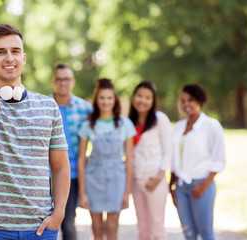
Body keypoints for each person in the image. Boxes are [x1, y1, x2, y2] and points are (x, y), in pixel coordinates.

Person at [0, 23, 70, 240]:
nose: (9, 58)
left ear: (24, 58)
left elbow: (60, 166)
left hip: (41, 229)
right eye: (0, 52)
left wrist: (59, 213)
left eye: (15, 51)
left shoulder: (49, 106)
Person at [77, 78, 135, 240]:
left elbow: (129, 159)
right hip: (93, 180)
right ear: (97, 100)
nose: (106, 101)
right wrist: (82, 193)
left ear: (114, 100)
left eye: (109, 98)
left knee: (112, 227)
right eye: (102, 98)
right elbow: (82, 159)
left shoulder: (125, 124)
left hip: (116, 181)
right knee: (97, 229)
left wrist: (127, 192)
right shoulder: (87, 125)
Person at [169, 84, 226, 240]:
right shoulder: (178, 127)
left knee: (206, 233)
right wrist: (171, 186)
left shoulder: (211, 126)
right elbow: (174, 158)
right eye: (183, 101)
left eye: (191, 100)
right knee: (189, 234)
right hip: (181, 188)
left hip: (201, 185)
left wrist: (204, 185)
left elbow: (219, 159)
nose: (186, 104)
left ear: (200, 101)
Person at [51, 62, 92, 240]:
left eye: (66, 79)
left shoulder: (85, 109)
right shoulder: (44, 106)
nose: (63, 83)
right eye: (59, 80)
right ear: (54, 82)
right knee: (42, 222)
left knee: (68, 223)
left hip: (72, 175)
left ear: (72, 82)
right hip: (45, 174)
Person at [129, 81, 171, 240]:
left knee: (157, 227)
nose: (142, 100)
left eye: (147, 97)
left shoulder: (160, 119)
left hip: (154, 179)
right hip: (136, 180)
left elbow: (168, 152)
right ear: (134, 97)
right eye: (139, 95)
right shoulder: (130, 121)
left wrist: (159, 176)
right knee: (142, 228)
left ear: (153, 101)